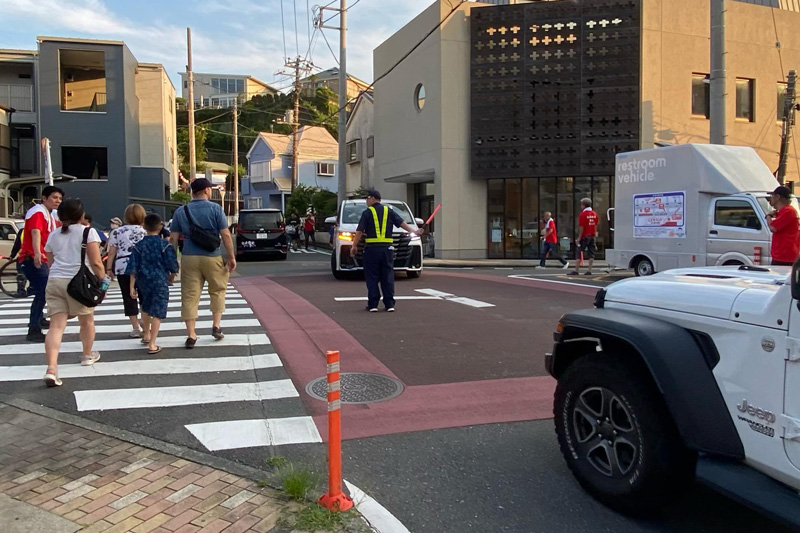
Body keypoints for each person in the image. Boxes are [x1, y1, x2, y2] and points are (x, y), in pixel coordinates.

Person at [42, 198, 104, 387]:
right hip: (79, 283)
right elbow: (95, 263)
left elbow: (49, 262)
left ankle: (51, 368)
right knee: (86, 321)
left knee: (56, 326)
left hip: (55, 281)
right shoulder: (88, 232)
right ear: (81, 215)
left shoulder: (53, 235)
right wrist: (103, 283)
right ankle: (87, 354)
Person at [169, 178, 237, 348]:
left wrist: (173, 262)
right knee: (217, 290)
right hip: (212, 255)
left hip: (189, 256)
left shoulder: (180, 211)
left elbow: (173, 238)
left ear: (192, 192)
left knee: (190, 295)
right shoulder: (215, 209)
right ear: (207, 190)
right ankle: (216, 326)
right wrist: (231, 256)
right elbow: (226, 234)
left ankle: (191, 335)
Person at [350, 189, 423, 312]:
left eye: (367, 198)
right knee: (387, 276)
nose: (366, 201)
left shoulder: (367, 212)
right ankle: (389, 304)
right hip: (387, 249)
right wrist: (414, 231)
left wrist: (354, 245)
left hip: (372, 249)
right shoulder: (388, 210)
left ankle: (373, 304)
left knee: (372, 276)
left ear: (373, 198)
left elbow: (360, 231)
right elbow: (401, 223)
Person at [127, 213, 179, 354]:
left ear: (144, 227)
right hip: (160, 280)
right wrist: (172, 277)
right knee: (158, 311)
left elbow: (133, 266)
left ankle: (146, 334)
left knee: (145, 306)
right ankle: (152, 344)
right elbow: (173, 266)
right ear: (160, 227)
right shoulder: (164, 245)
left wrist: (132, 286)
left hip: (143, 280)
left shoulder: (139, 246)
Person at [19, 186, 63, 342]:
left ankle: (39, 319)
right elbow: (35, 231)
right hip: (32, 257)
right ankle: (33, 329)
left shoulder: (49, 214)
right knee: (42, 292)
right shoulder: (38, 211)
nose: (58, 201)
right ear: (44, 198)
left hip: (40, 258)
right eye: (54, 197)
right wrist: (37, 252)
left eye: (59, 198)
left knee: (44, 291)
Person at [106, 205, 147, 337]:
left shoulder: (117, 232)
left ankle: (135, 327)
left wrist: (108, 268)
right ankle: (146, 324)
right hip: (141, 266)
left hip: (122, 265)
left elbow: (111, 252)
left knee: (128, 296)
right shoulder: (145, 231)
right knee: (144, 296)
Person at [766, 186, 800, 266]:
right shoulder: (784, 212)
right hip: (781, 255)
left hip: (785, 256)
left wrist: (768, 216)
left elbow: (773, 228)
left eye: (772, 196)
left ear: (778, 197)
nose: (770, 199)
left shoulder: (788, 211)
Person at [570, 198, 599, 276]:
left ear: (584, 205)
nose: (581, 206)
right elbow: (595, 225)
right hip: (592, 236)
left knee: (579, 252)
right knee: (591, 253)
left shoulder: (582, 214)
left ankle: (576, 270)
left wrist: (579, 237)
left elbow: (581, 227)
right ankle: (589, 270)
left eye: (581, 204)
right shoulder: (594, 214)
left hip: (585, 236)